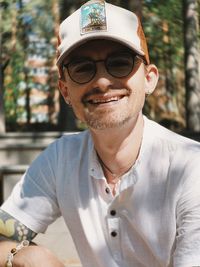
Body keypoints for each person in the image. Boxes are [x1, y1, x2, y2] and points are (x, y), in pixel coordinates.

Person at [0, 0, 200, 266]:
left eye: (119, 63)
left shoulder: (190, 168)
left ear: (149, 78)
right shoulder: (60, 159)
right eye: (83, 68)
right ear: (65, 90)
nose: (103, 81)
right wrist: (24, 256)